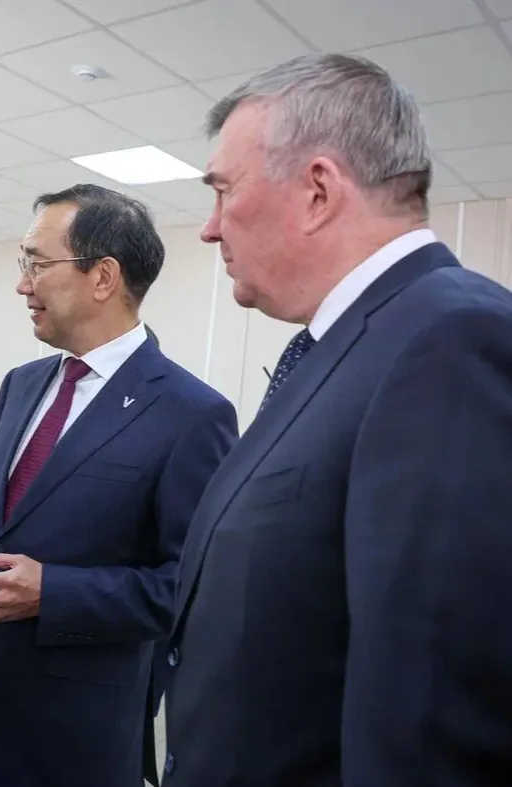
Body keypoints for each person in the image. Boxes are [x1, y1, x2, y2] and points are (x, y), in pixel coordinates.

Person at [162, 53, 512, 787]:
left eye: (223, 191)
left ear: (318, 190)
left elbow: (434, 716)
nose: (210, 229)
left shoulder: (451, 339)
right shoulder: (353, 343)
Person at [0, 184, 238, 787]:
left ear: (103, 277)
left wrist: (54, 592)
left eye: (37, 264)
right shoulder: (22, 383)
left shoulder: (192, 415)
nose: (22, 285)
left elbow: (193, 588)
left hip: (73, 733)